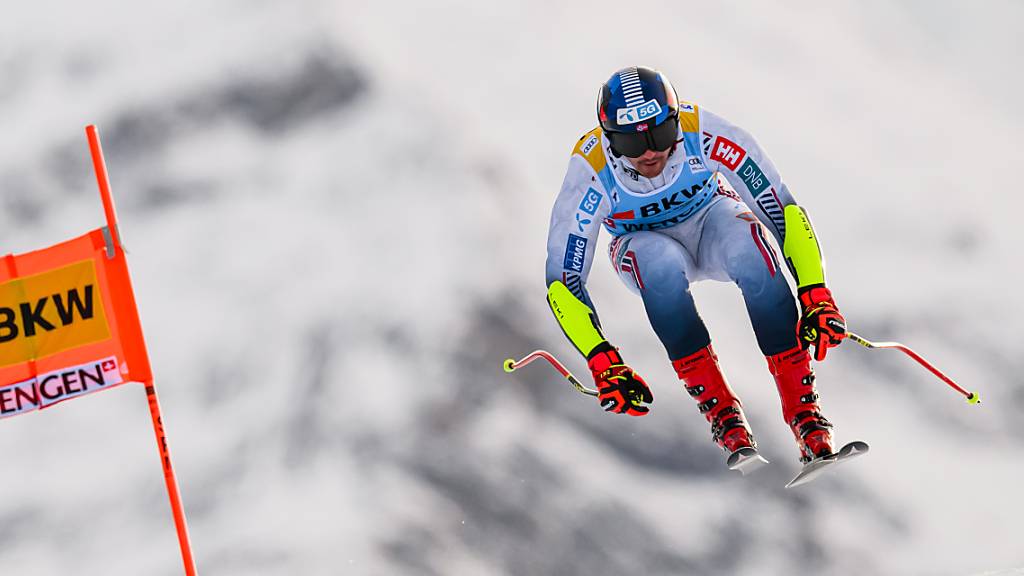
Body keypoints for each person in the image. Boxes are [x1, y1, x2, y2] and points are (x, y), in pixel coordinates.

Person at [544, 66, 847, 469]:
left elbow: (783, 212)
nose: (650, 151)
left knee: (750, 245)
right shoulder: (591, 170)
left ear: (676, 121)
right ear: (608, 139)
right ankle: (724, 416)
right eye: (631, 142)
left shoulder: (705, 131)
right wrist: (601, 359)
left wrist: (815, 292)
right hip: (641, 244)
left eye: (661, 135)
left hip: (712, 222)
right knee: (659, 265)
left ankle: (806, 417)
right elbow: (563, 282)